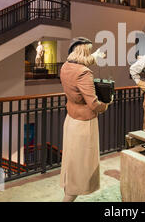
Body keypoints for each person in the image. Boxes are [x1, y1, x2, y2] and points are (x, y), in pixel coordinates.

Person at [59, 37, 111, 202]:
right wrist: (107, 104)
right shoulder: (84, 73)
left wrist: (95, 55)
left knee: (71, 164)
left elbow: (83, 63)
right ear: (84, 52)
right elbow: (94, 104)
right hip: (84, 124)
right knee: (80, 168)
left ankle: (67, 195)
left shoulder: (66, 67)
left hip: (71, 120)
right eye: (89, 51)